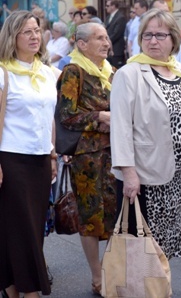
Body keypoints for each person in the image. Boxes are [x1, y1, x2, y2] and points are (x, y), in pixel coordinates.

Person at [110, 8, 181, 259]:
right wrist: (128, 172)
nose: (152, 41)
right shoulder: (129, 74)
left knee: (170, 241)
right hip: (146, 176)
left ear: (173, 39)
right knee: (144, 246)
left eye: (160, 35)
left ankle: (160, 287)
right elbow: (120, 127)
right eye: (147, 35)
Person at [0, 11, 58, 298]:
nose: (35, 36)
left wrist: (53, 154)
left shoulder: (47, 72)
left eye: (37, 30)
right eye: (27, 32)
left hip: (40, 161)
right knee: (19, 227)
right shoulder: (3, 72)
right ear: (13, 37)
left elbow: (50, 118)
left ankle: (12, 288)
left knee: (33, 228)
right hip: (10, 160)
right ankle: (30, 290)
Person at [58, 23, 117, 295]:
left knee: (115, 214)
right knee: (91, 215)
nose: (106, 43)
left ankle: (112, 270)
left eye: (106, 38)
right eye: (99, 38)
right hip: (87, 158)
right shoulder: (74, 71)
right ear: (81, 44)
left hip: (115, 152)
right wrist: (99, 117)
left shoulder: (110, 72)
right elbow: (66, 116)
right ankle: (97, 276)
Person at [104, 0, 127, 68]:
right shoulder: (108, 17)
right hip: (109, 50)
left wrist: (106, 40)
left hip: (116, 50)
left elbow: (117, 33)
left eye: (107, 6)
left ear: (113, 6)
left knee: (116, 69)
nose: (106, 7)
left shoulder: (120, 17)